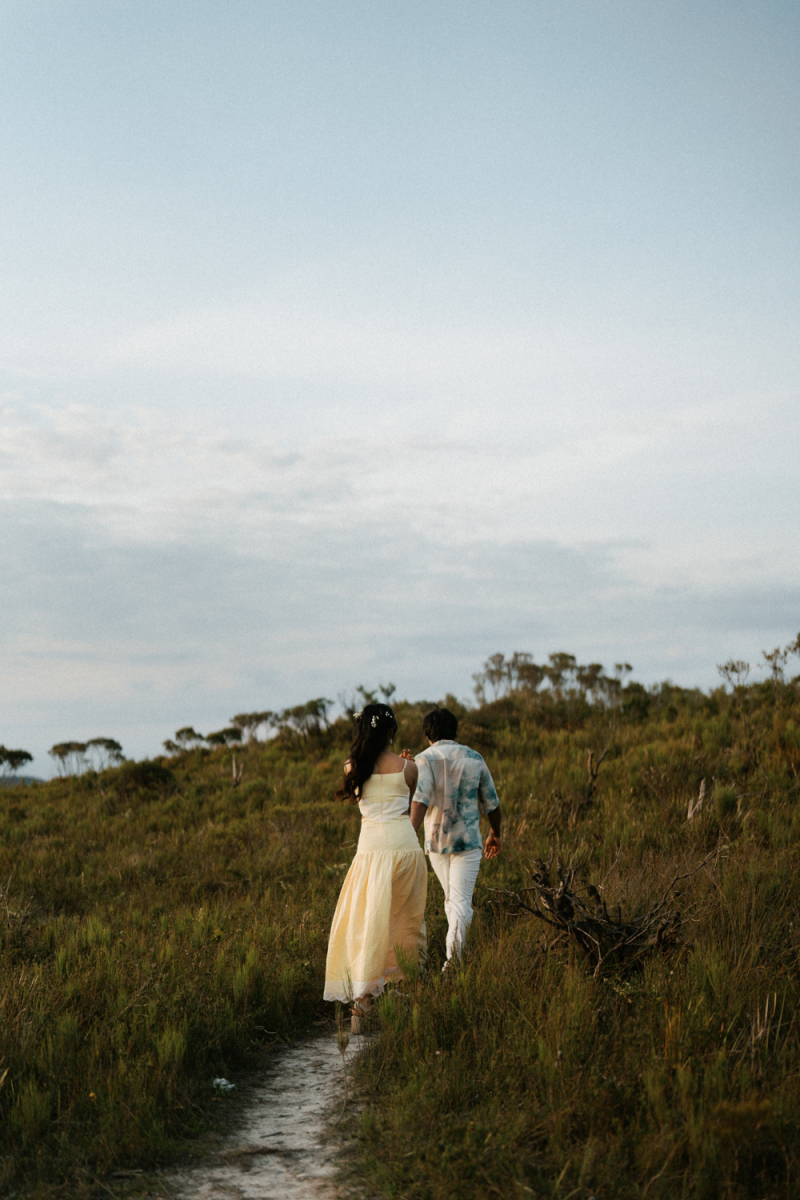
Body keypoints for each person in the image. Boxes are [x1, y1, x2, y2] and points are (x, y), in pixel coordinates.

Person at [324, 704, 428, 1031]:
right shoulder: (409, 768)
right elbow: (407, 802)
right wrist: (405, 762)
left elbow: (363, 800)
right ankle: (410, 996)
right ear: (391, 731)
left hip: (371, 850)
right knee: (406, 922)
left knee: (369, 922)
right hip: (405, 847)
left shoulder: (351, 766)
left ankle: (362, 1005)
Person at [412, 706, 501, 967]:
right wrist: (495, 834)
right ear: (455, 731)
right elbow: (492, 804)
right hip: (468, 841)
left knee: (455, 901)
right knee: (457, 902)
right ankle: (455, 961)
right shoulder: (475, 757)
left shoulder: (424, 759)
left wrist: (409, 834)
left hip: (436, 842)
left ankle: (454, 961)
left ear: (428, 735)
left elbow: (419, 801)